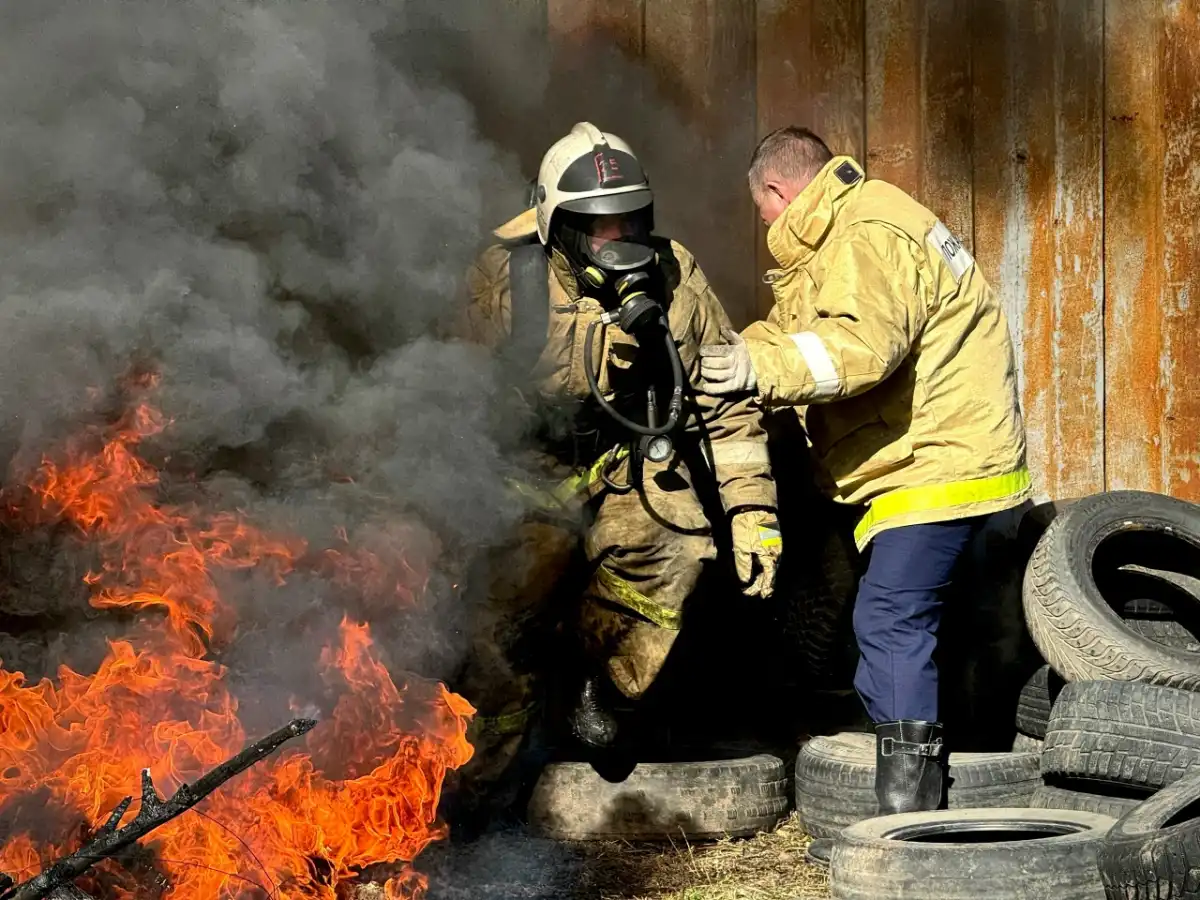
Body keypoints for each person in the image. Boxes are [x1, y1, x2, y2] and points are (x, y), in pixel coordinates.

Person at [699, 126, 1030, 862]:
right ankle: (952, 799)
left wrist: (751, 365)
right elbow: (795, 331)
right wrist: (734, 355)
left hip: (934, 472)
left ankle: (906, 834)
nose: (765, 230)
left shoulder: (868, 232)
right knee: (945, 635)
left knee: (888, 622)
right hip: (950, 465)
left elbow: (858, 348)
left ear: (780, 194)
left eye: (762, 214)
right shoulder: (848, 231)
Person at [447, 122, 781, 786]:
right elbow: (477, 379)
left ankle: (606, 692)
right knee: (498, 641)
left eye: (630, 223)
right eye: (598, 228)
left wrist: (752, 511)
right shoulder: (504, 275)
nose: (618, 241)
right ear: (555, 224)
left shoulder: (673, 274)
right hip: (520, 475)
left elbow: (724, 398)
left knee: (678, 546)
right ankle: (477, 795)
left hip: (624, 462)